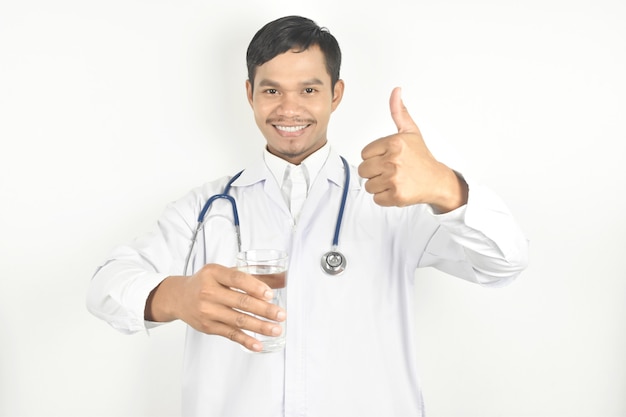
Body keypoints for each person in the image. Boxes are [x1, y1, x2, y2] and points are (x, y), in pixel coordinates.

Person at [87, 15, 529, 417]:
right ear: (250, 94)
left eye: (309, 90)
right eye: (272, 90)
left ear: (336, 94)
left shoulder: (396, 200)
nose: (289, 109)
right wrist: (174, 296)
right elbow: (106, 286)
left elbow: (504, 262)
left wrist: (445, 186)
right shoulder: (208, 208)